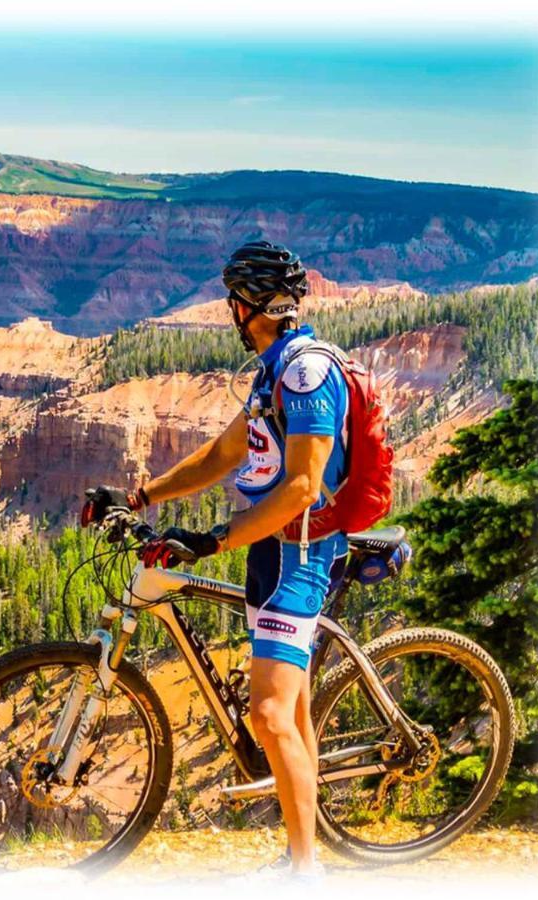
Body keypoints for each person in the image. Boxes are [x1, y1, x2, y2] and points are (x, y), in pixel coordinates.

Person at [83, 241, 350, 881]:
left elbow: (303, 488)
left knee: (267, 715)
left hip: (302, 555)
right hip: (273, 552)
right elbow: (221, 455)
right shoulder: (272, 371)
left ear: (248, 306)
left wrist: (213, 540)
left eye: (232, 300)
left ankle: (305, 874)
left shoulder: (307, 374)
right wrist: (140, 495)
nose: (228, 310)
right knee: (294, 711)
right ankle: (299, 857)